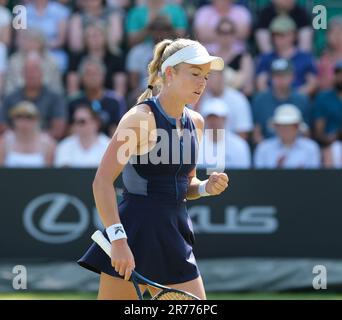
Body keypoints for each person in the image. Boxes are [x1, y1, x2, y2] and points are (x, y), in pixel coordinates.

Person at [78, 38, 229, 300]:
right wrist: (118, 240)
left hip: (175, 234)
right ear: (169, 73)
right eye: (195, 74)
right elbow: (101, 182)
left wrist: (205, 188)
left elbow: (185, 186)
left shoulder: (197, 122)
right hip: (134, 234)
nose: (202, 82)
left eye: (205, 76)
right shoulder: (139, 120)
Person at [0, 52, 67, 140]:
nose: (31, 74)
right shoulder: (10, 98)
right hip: (15, 146)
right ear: (22, 73)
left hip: (45, 146)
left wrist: (34, 141)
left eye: (35, 70)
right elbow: (3, 126)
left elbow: (58, 129)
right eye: (28, 70)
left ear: (42, 72)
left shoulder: (55, 98)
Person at [256, 15, 318, 96]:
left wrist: (294, 97)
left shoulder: (305, 58)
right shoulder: (266, 58)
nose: (279, 38)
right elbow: (261, 82)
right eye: (276, 34)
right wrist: (274, 98)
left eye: (283, 34)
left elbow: (313, 82)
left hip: (298, 100)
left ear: (293, 35)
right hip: (273, 100)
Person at [252, 58, 310, 143]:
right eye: (276, 76)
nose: (280, 79)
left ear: (292, 77)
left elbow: (306, 133)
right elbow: (256, 134)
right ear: (271, 78)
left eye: (284, 75)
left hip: (297, 149)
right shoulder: (260, 100)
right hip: (268, 149)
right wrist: (269, 151)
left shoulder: (302, 100)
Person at [254, 104, 320, 169]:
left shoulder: (311, 148)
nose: (285, 129)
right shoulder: (263, 148)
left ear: (297, 128)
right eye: (281, 126)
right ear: (276, 127)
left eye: (289, 126)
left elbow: (314, 176)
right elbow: (259, 177)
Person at [197, 97, 251, 169]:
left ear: (225, 119)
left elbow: (243, 174)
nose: (213, 122)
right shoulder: (195, 145)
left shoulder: (239, 145)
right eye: (210, 118)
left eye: (217, 118)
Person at [198, 69, 253, 140]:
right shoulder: (199, 98)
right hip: (205, 145)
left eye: (210, 76)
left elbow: (242, 132)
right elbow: (192, 128)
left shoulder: (238, 99)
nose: (206, 80)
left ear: (221, 76)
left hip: (230, 146)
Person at [0, 101, 56, 167]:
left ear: (37, 120)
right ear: (13, 120)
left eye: (29, 117)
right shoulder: (5, 141)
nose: (24, 121)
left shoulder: (47, 143)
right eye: (19, 117)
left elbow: (49, 172)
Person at [313, 60, 342, 147]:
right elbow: (319, 133)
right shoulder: (323, 97)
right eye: (339, 74)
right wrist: (335, 137)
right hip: (331, 146)